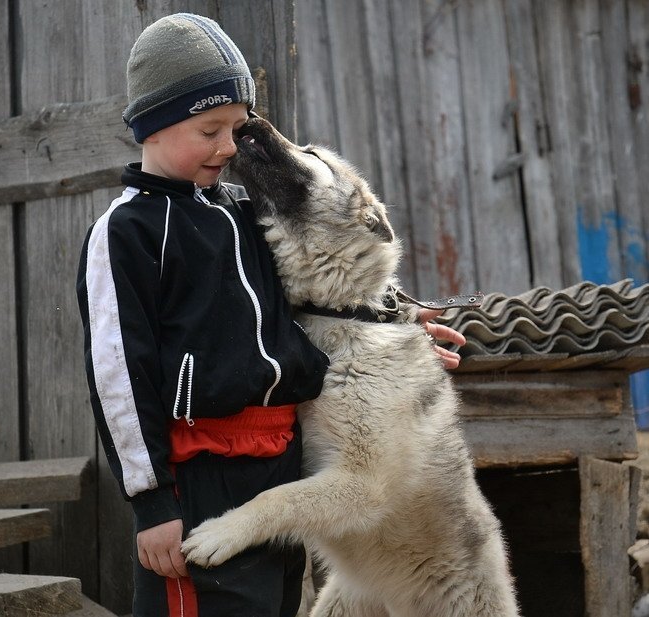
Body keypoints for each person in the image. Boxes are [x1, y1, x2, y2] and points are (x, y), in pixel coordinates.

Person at [76, 13, 464, 617]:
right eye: (210, 130)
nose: (228, 147)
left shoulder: (238, 213)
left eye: (235, 128)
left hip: (279, 468)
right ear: (154, 128)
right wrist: (152, 506)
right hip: (199, 477)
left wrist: (396, 328)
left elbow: (316, 285)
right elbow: (117, 377)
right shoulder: (126, 233)